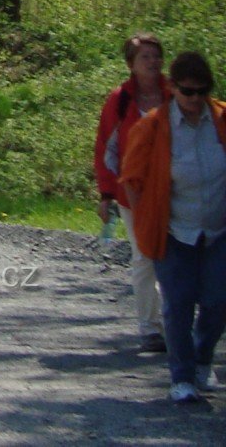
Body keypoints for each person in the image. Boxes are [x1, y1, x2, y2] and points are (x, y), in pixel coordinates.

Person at [119, 51, 226, 403]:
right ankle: (181, 378)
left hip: (218, 231)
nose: (194, 99)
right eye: (187, 91)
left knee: (217, 301)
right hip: (174, 233)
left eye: (201, 91)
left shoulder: (222, 120)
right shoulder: (152, 126)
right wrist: (146, 224)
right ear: (173, 88)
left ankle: (202, 360)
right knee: (178, 304)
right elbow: (132, 180)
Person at [97, 33, 170, 351]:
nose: (153, 62)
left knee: (176, 256)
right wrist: (106, 193)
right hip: (133, 192)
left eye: (156, 56)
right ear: (131, 65)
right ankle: (149, 327)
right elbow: (105, 146)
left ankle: (176, 324)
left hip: (174, 189)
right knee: (143, 257)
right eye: (145, 57)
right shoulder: (120, 99)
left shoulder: (176, 94)